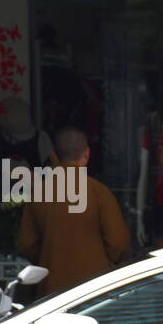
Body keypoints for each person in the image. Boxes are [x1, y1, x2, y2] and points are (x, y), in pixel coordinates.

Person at [18, 127, 130, 297]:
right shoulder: (98, 192)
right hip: (94, 290)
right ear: (87, 154)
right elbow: (118, 244)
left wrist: (50, 257)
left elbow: (27, 244)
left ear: (54, 155)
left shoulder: (39, 192)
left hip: (51, 292)